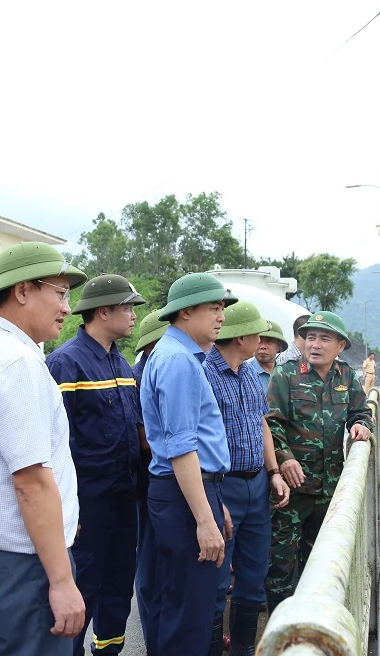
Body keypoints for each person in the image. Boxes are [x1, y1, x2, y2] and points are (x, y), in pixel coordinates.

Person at [0, 242, 88, 656]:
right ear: (23, 291)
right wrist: (62, 581)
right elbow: (31, 482)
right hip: (25, 564)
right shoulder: (16, 363)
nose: (67, 307)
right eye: (60, 293)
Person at [46, 275, 147, 656]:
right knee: (81, 588)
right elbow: (54, 445)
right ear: (102, 312)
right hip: (86, 503)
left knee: (118, 586)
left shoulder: (120, 362)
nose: (133, 315)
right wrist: (67, 510)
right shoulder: (65, 363)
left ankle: (108, 651)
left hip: (123, 498)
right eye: (127, 307)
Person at [139, 273, 237, 656]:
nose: (220, 317)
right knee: (188, 617)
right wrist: (204, 518)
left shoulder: (175, 356)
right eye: (213, 308)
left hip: (189, 491)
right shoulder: (179, 361)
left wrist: (214, 505)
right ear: (185, 312)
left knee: (176, 606)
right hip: (184, 496)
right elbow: (181, 448)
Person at [264, 311, 374, 611]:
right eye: (310, 337)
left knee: (321, 562)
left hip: (329, 489)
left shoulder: (347, 376)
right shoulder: (286, 374)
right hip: (291, 489)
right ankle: (280, 629)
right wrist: (285, 459)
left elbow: (360, 412)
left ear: (340, 346)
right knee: (281, 568)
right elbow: (270, 423)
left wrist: (362, 425)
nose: (315, 344)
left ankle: (313, 622)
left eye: (324, 338)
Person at [203, 302, 290, 656]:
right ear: (241, 338)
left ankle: (243, 648)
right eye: (258, 333)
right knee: (216, 580)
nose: (262, 340)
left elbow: (261, 425)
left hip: (256, 484)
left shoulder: (250, 374)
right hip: (223, 485)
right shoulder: (205, 374)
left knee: (253, 578)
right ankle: (210, 649)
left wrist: (273, 472)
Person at [131, 309, 169, 645]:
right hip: (148, 484)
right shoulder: (141, 375)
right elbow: (145, 438)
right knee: (150, 568)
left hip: (161, 481)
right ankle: (153, 640)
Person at [245, 319, 287, 394]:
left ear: (279, 346)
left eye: (268, 341)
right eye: (259, 341)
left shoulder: (286, 373)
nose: (262, 346)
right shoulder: (245, 373)